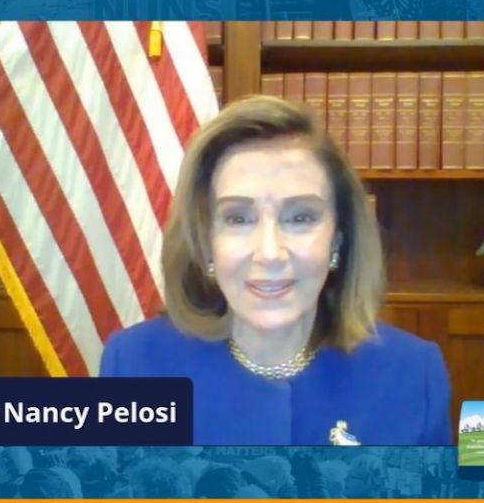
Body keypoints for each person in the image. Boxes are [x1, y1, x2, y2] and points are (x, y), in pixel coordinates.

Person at [100, 95, 452, 445]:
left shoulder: (413, 373)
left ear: (337, 240)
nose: (269, 253)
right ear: (206, 242)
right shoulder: (132, 364)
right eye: (238, 218)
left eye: (300, 217)